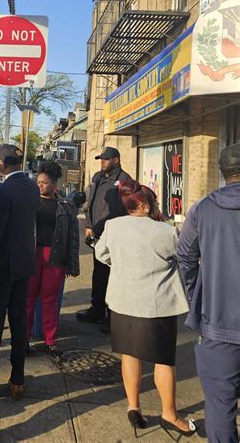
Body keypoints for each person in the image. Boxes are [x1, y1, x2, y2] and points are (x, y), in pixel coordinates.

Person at [95, 180, 197, 438]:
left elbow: (101, 254)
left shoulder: (113, 226)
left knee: (130, 355)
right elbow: (184, 257)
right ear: (143, 204)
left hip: (122, 302)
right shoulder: (165, 232)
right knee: (163, 360)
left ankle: (133, 406)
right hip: (156, 305)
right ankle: (169, 414)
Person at [177, 144, 240, 443]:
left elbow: (185, 257)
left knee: (220, 410)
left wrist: (197, 300)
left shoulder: (203, 208)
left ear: (222, 172)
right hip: (218, 325)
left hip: (219, 326)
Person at [0, 144, 40, 400]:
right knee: (18, 322)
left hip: (0, 267)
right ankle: (17, 379)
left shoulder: (3, 192)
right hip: (24, 265)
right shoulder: (32, 188)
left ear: (3, 164)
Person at [25, 161, 80, 360]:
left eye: (44, 182)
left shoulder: (66, 206)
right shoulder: (29, 203)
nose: (40, 185)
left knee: (49, 300)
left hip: (56, 258)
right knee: (28, 300)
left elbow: (73, 236)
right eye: (38, 181)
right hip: (33, 256)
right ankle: (24, 339)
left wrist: (74, 264)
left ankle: (50, 340)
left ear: (54, 184)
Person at [76, 146, 131, 326]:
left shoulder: (124, 180)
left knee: (114, 276)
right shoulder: (98, 178)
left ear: (116, 160)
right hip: (98, 234)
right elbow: (91, 203)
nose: (102, 162)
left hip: (116, 236)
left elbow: (128, 208)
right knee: (98, 274)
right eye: (101, 159)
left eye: (106, 159)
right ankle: (96, 309)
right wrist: (89, 225)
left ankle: (112, 316)